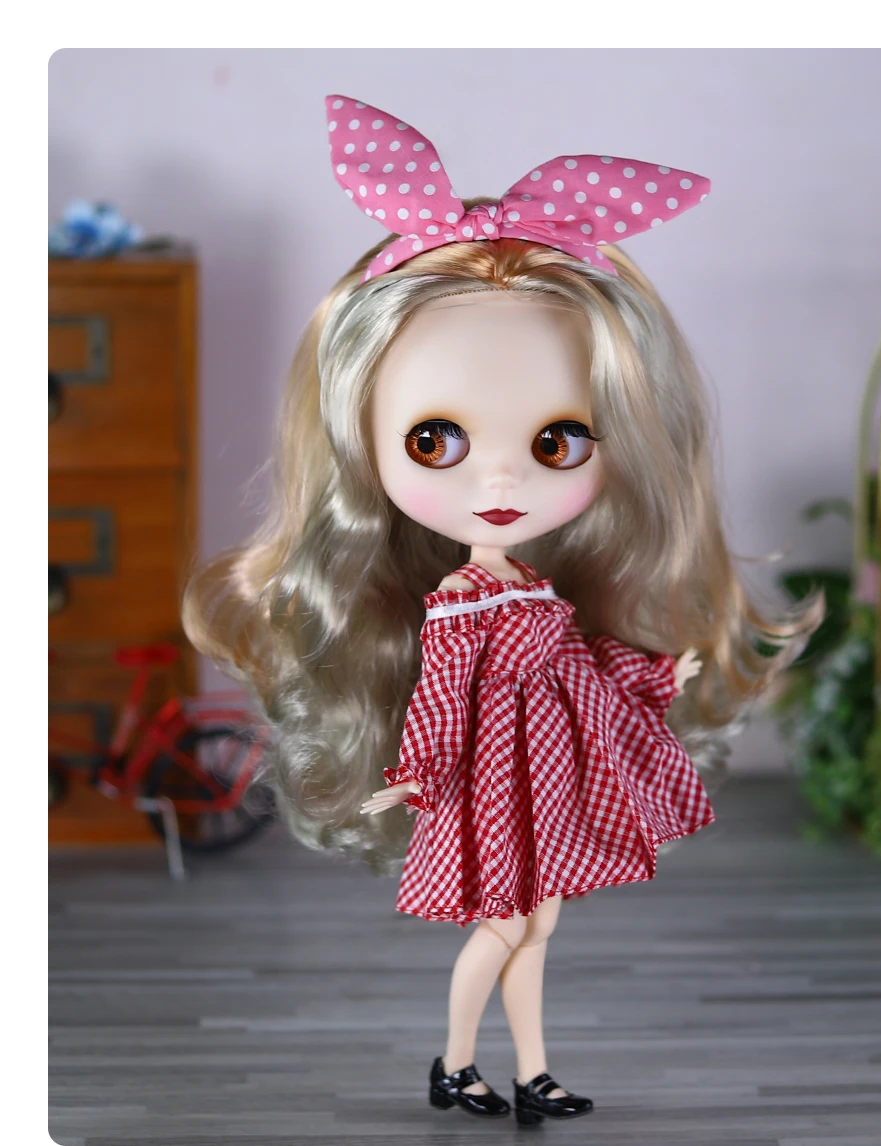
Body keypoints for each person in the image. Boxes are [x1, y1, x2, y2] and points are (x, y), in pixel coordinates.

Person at [184, 95, 821, 1125]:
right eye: (434, 441)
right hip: (491, 788)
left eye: (556, 442)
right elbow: (443, 699)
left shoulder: (530, 590)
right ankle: (453, 1063)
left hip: (545, 779)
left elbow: (576, 665)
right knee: (504, 927)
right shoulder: (459, 603)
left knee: (536, 930)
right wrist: (413, 775)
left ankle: (531, 1071)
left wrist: (663, 672)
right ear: (359, 442)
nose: (498, 479)